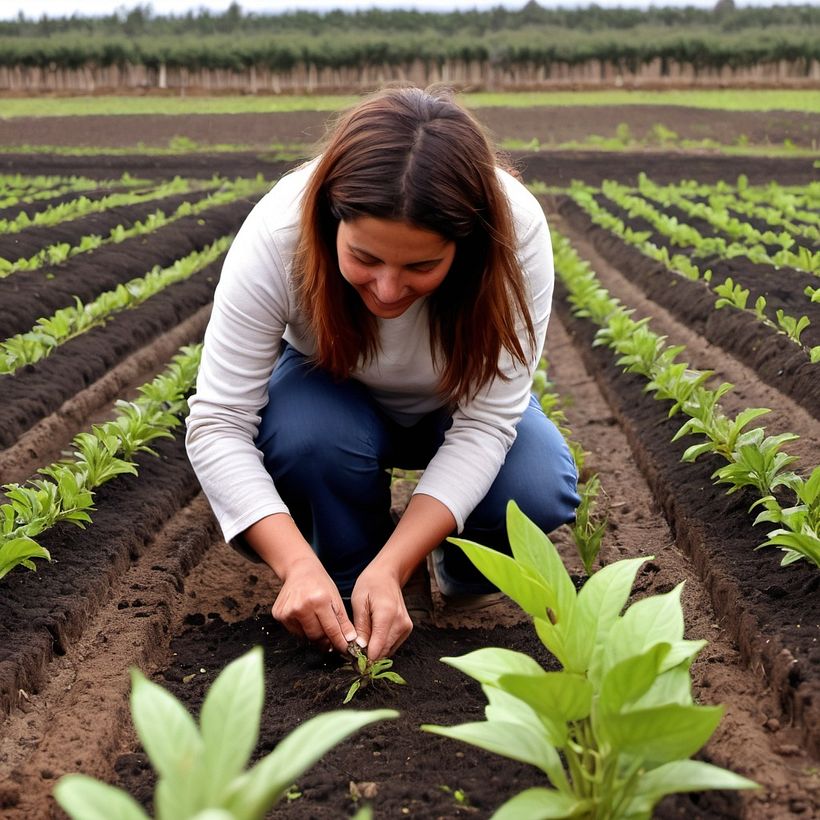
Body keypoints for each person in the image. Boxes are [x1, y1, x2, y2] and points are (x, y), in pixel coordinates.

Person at [185, 85, 579, 662]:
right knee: (305, 440)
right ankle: (344, 579)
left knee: (535, 486)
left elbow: (487, 425)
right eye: (364, 259)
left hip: (456, 405)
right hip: (331, 397)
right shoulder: (279, 231)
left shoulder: (512, 231)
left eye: (421, 265)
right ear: (330, 221)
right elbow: (218, 424)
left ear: (463, 246)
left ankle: (457, 573)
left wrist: (399, 561)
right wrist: (296, 566)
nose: (389, 289)